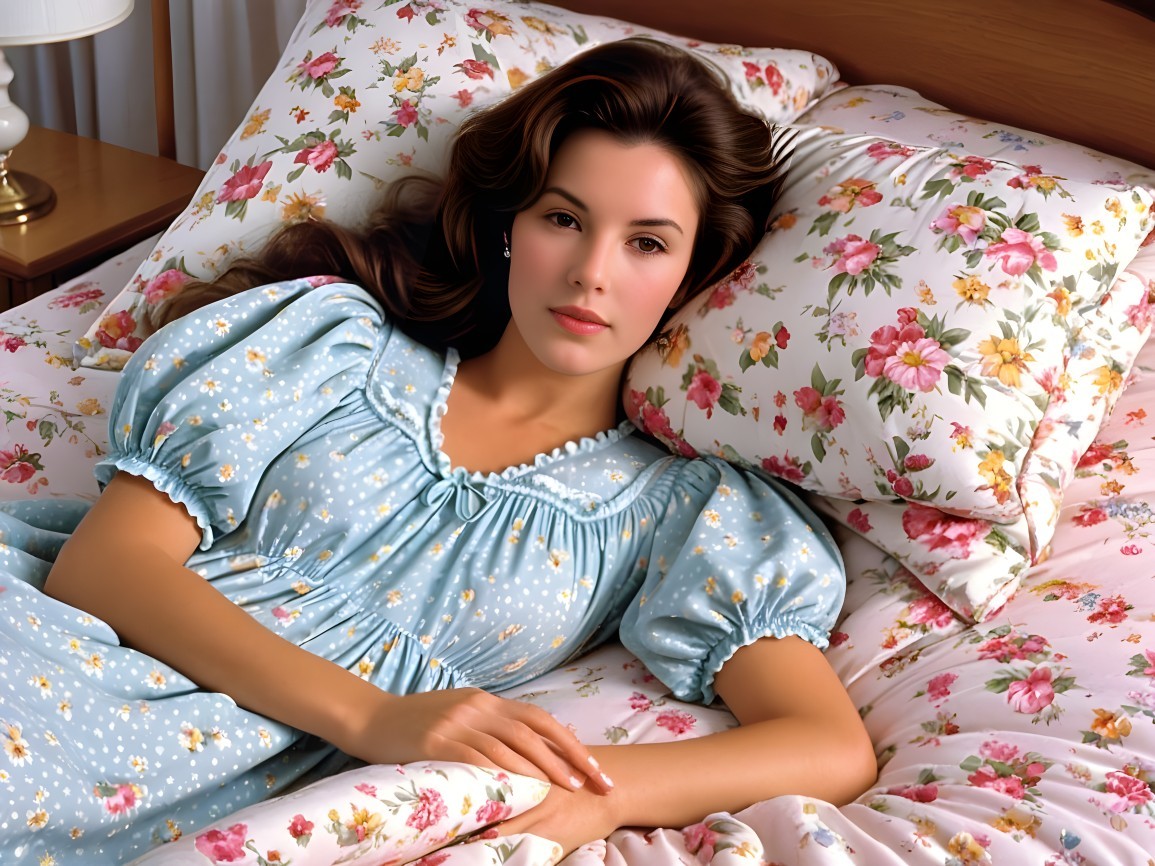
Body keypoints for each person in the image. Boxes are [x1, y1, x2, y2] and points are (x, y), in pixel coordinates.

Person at [0, 37, 875, 864]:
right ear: (509, 227)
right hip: (56, 652)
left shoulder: (676, 510)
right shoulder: (335, 348)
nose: (590, 273)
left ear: (694, 273)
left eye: (646, 242)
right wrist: (377, 717)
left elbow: (828, 747)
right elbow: (103, 569)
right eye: (563, 219)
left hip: (205, 777)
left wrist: (607, 794)